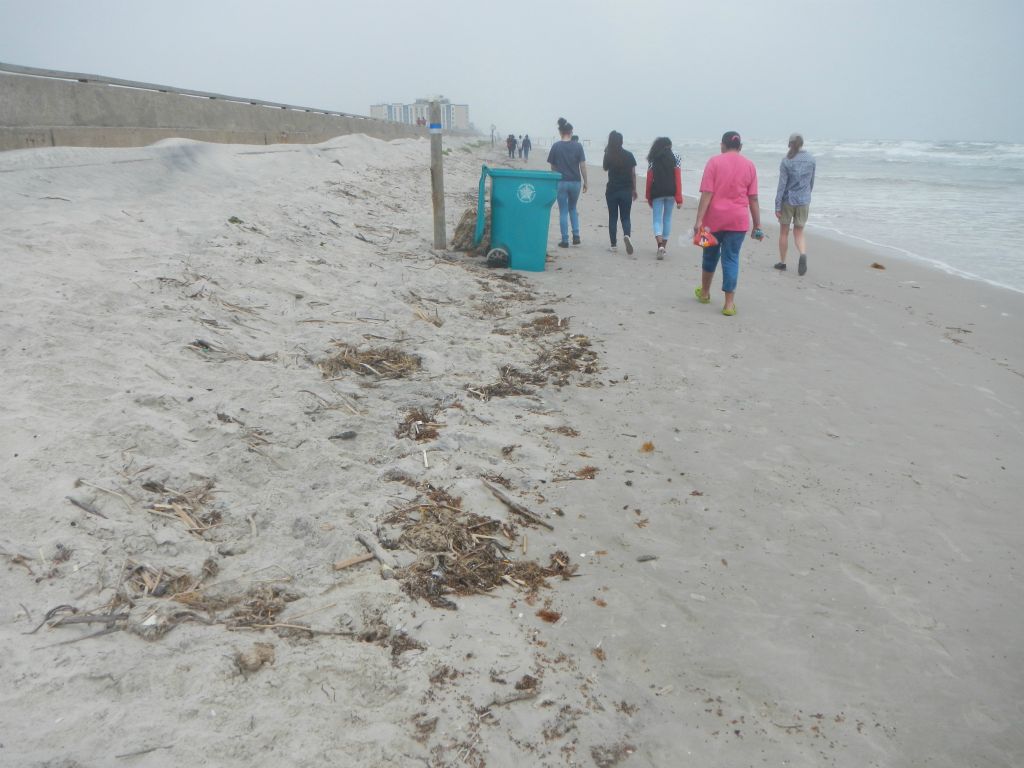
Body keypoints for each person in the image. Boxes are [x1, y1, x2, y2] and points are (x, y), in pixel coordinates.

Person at [692, 131, 762, 316]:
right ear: (740, 147)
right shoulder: (749, 165)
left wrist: (699, 219)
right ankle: (729, 304)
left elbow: (707, 193)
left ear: (722, 145)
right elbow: (753, 198)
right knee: (731, 258)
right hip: (738, 221)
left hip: (712, 221)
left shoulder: (714, 162)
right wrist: (757, 225)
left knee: (709, 255)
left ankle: (705, 293)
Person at [774, 133, 816, 275]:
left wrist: (777, 205)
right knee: (799, 232)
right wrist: (807, 195)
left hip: (788, 200)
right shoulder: (811, 159)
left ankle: (783, 262)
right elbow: (811, 182)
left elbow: (782, 185)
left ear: (790, 144)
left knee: (784, 232)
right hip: (804, 200)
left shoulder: (786, 161)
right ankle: (802, 253)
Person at [547, 117, 588, 248]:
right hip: (575, 182)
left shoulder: (556, 146)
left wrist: (555, 178)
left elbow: (553, 167)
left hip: (561, 182)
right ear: (571, 132)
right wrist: (586, 182)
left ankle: (565, 240)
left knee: (563, 210)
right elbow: (582, 166)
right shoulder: (578, 146)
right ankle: (576, 235)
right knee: (573, 208)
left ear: (561, 132)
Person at [645, 137, 683, 259]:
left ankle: (660, 245)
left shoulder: (653, 158)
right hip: (671, 192)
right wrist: (679, 198)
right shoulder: (676, 157)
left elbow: (649, 179)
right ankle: (663, 247)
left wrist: (648, 196)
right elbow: (678, 178)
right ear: (669, 146)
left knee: (656, 220)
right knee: (667, 219)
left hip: (657, 192)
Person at [603, 131, 637, 254]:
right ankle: (627, 235)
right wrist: (634, 189)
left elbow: (605, 168)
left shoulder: (608, 155)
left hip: (612, 190)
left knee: (613, 217)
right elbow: (633, 174)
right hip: (626, 190)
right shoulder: (629, 155)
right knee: (626, 217)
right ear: (622, 141)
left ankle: (613, 245)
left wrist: (607, 151)